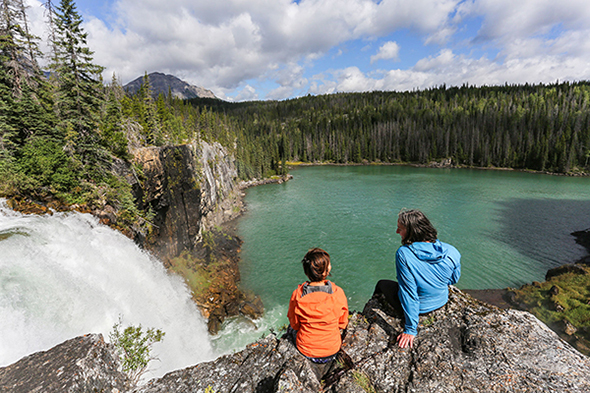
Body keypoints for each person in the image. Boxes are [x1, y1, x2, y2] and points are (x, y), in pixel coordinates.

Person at [374, 209, 461, 349]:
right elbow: (453, 279)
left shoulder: (404, 254)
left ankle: (376, 306)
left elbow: (409, 293)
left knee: (382, 284)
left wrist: (410, 330)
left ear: (410, 232)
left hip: (421, 308)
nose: (397, 232)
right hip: (441, 301)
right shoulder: (452, 251)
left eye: (400, 229)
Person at [288, 247, 349, 365]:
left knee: (289, 331)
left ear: (307, 272)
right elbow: (342, 323)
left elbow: (295, 325)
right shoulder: (338, 293)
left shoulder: (298, 295)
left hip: (306, 351)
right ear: (326, 270)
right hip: (332, 350)